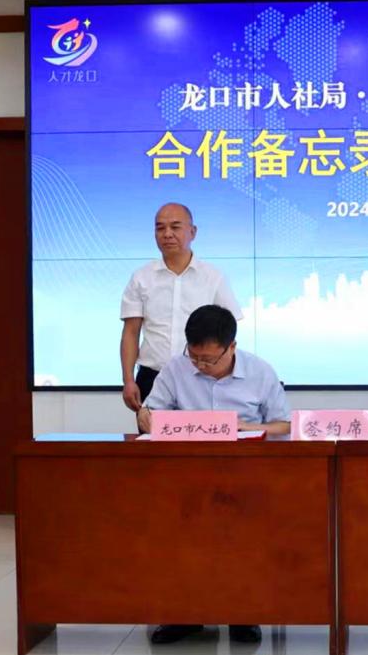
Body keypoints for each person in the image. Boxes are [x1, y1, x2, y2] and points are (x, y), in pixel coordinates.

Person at [138, 305, 289, 645]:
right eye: (195, 358)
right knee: (179, 542)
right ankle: (184, 616)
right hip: (186, 478)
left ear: (231, 347)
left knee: (242, 542)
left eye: (209, 360)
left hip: (245, 477)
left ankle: (242, 615)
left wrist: (246, 427)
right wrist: (146, 417)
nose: (200, 366)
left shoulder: (260, 372)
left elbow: (285, 425)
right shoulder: (176, 369)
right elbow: (151, 413)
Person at [120, 202, 242, 412]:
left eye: (175, 227)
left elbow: (228, 331)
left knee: (200, 433)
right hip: (152, 376)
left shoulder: (213, 277)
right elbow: (131, 333)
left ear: (193, 232)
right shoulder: (141, 277)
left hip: (201, 377)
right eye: (160, 228)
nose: (167, 234)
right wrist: (128, 380)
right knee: (152, 433)